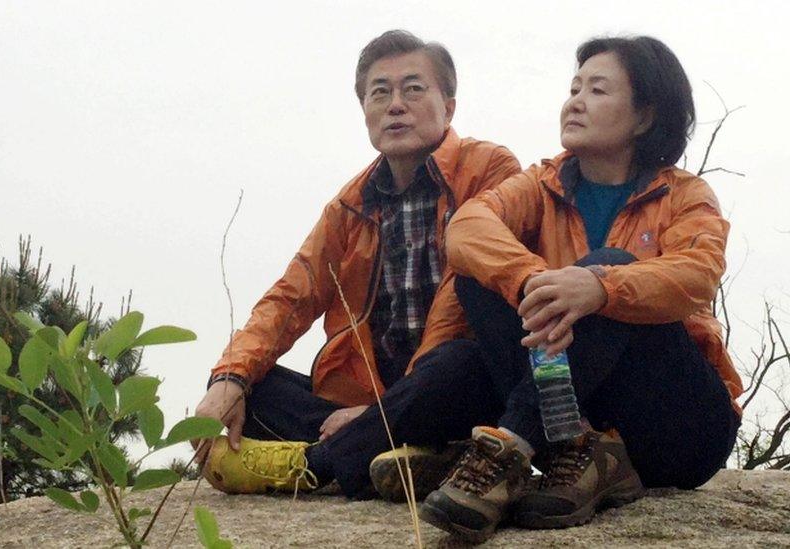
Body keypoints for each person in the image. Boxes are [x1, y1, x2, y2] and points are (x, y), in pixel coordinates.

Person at [416, 36, 743, 544]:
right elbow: (467, 227)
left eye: (597, 89)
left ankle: (512, 443)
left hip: (679, 427)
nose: (575, 100)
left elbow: (698, 272)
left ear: (644, 116)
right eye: (574, 87)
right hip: (574, 423)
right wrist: (531, 280)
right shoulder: (540, 183)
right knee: (480, 278)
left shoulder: (685, 194)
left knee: (608, 267)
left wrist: (600, 286)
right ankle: (580, 448)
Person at [192, 29, 521, 498]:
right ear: (364, 110)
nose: (395, 105)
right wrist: (229, 378)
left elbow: (459, 305)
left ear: (448, 106)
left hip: (452, 386)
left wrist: (383, 411)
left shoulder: (490, 169)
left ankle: (319, 463)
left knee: (459, 364)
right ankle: (405, 456)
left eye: (413, 89)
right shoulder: (350, 206)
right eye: (379, 92)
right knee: (249, 388)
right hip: (371, 399)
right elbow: (290, 296)